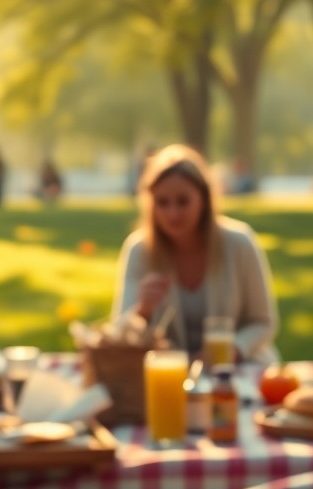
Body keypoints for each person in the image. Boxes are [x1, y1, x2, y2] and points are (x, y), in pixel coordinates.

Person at [111, 144, 279, 364]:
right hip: (165, 374)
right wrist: (143, 310)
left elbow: (263, 322)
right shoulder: (140, 250)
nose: (173, 213)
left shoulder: (239, 243)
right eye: (162, 202)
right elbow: (119, 334)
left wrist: (234, 349)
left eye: (183, 201)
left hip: (234, 371)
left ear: (204, 199)